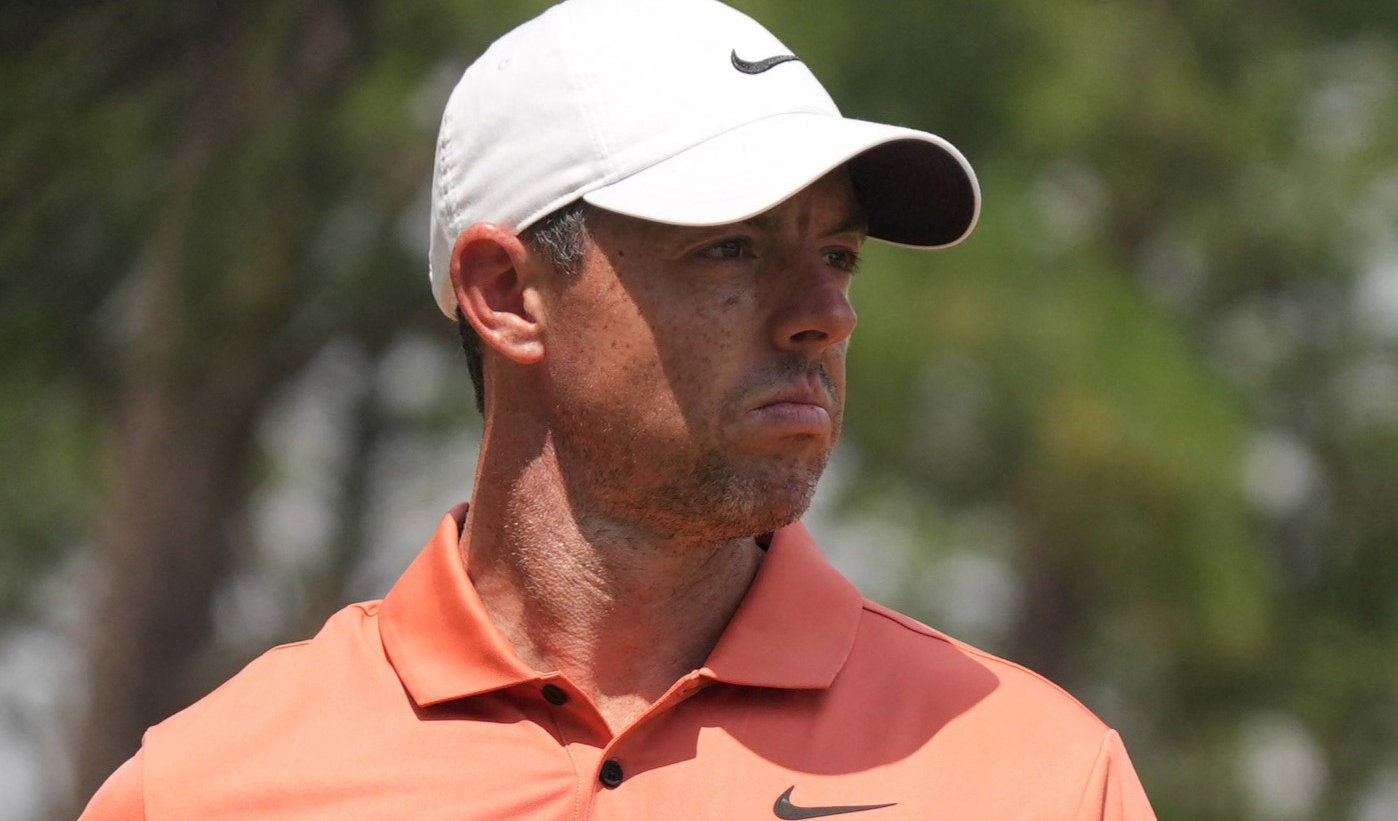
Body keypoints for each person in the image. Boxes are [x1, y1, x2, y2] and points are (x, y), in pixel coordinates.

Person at [81, 0, 1156, 818]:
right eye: (732, 247)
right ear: (508, 294)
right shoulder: (204, 790)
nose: (826, 315)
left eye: (837, 254)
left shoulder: (1042, 777)